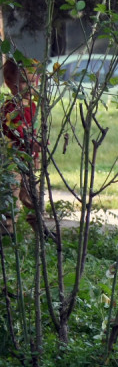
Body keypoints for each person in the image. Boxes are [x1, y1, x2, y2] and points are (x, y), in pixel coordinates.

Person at [1, 57, 42, 234]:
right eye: (25, 82)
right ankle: (6, 232)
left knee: (35, 198)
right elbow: (14, 133)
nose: (31, 87)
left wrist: (38, 151)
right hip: (13, 163)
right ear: (9, 82)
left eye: (34, 81)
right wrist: (31, 143)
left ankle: (40, 230)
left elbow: (33, 131)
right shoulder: (10, 108)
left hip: (28, 163)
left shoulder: (32, 106)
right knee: (11, 199)